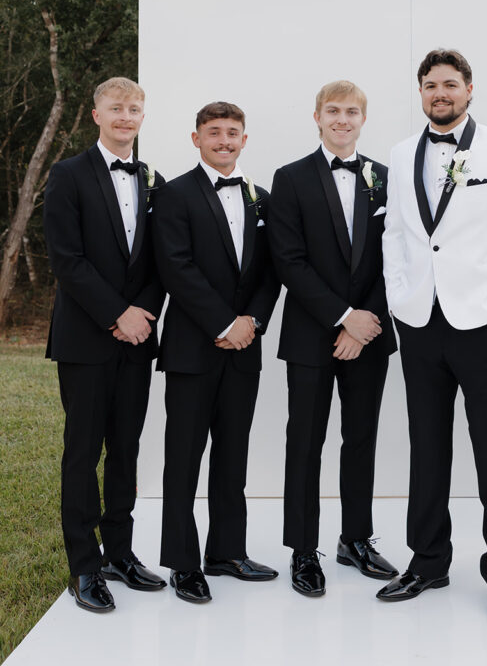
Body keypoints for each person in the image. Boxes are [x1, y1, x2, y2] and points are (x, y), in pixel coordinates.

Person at [379, 48, 487, 621]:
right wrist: (400, 299)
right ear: (420, 92)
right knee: (427, 446)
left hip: (483, 322)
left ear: (469, 89)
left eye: (449, 84)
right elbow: (396, 232)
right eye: (430, 85)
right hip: (421, 322)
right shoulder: (400, 154)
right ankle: (427, 561)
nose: (439, 93)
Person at [268, 80, 398, 597]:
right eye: (333, 111)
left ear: (363, 119)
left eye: (351, 112)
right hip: (310, 334)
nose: (342, 119)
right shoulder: (290, 178)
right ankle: (303, 549)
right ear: (317, 117)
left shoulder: (385, 179)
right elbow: (287, 260)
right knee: (305, 441)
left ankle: (356, 539)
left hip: (370, 333)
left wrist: (365, 320)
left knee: (361, 439)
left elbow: (400, 257)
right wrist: (342, 316)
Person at [44, 76, 166, 613]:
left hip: (137, 338)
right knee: (83, 452)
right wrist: (116, 314)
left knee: (126, 449)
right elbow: (67, 259)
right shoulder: (67, 174)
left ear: (143, 117)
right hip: (86, 338)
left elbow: (162, 258)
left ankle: (119, 552)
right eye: (116, 108)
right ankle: (84, 566)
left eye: (134, 108)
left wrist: (141, 314)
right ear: (97, 115)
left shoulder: (154, 179)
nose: (125, 116)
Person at [152, 101, 280, 603]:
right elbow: (175, 267)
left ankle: (227, 551)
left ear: (244, 140)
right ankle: (183, 562)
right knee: (182, 458)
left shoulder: (261, 198)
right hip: (192, 348)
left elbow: (272, 272)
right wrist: (224, 322)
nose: (224, 141)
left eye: (232, 133)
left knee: (233, 454)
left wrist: (252, 323)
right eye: (214, 132)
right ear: (196, 138)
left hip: (244, 349)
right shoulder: (174, 194)